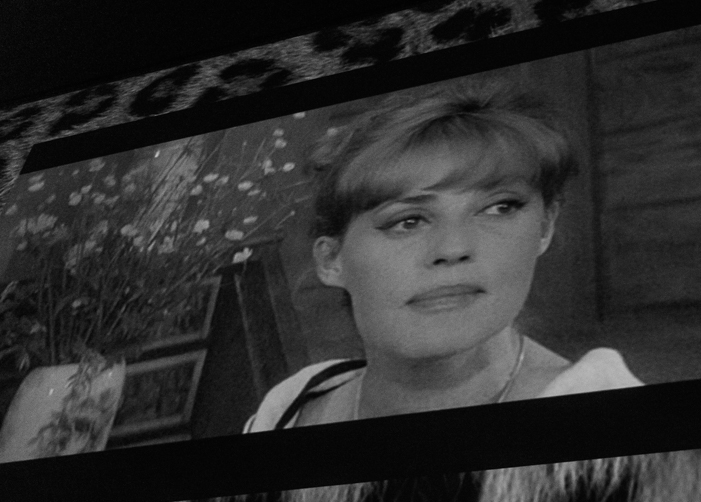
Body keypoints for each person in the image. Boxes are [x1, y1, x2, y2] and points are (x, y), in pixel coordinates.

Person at [246, 83, 641, 431]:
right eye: (408, 221)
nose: (453, 249)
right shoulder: (290, 407)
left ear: (545, 227)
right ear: (332, 260)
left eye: (499, 207)